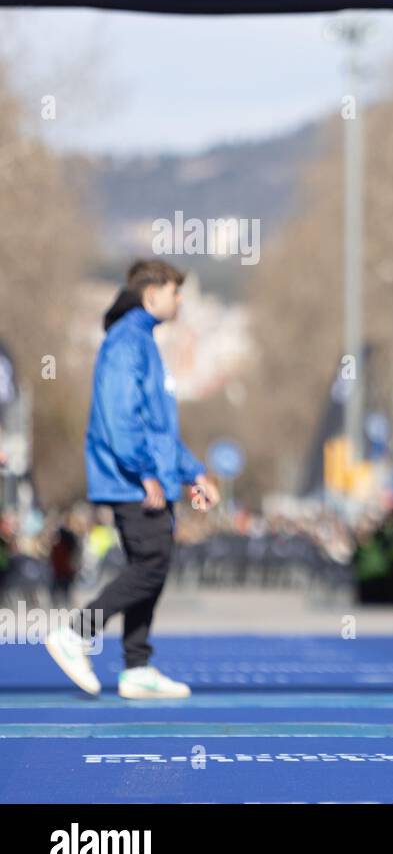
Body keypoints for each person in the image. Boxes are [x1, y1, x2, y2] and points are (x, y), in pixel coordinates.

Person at [43, 259, 219, 699]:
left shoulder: (143, 342)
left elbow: (160, 431)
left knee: (153, 563)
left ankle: (137, 666)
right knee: (152, 563)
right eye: (175, 292)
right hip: (130, 478)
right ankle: (76, 633)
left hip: (145, 476)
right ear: (152, 293)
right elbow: (120, 418)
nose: (179, 301)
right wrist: (144, 472)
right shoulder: (126, 343)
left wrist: (194, 472)